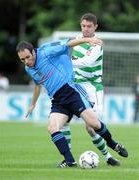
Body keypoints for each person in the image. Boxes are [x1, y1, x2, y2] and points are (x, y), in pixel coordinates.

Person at [16, 37, 126, 168]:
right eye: (22, 59)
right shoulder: (28, 69)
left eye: (28, 57)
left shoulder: (46, 53)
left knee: (94, 124)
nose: (27, 61)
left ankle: (112, 143)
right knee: (52, 128)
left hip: (71, 92)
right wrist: (32, 104)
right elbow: (38, 85)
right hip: (57, 100)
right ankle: (70, 161)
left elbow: (67, 44)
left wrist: (88, 40)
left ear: (33, 52)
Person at [61, 13, 128, 167]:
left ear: (95, 27)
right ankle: (68, 159)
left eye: (89, 26)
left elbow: (87, 61)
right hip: (76, 86)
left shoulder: (96, 43)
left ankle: (109, 154)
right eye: (83, 26)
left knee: (91, 127)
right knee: (62, 119)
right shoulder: (76, 40)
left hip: (93, 88)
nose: (85, 29)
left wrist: (68, 62)